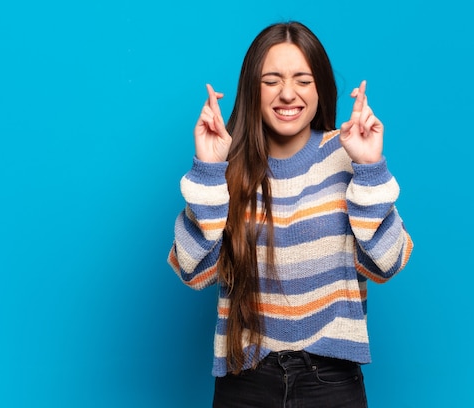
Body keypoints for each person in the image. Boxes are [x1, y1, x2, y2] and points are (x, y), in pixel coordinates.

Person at [167, 21, 413, 408]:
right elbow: (194, 272)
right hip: (244, 380)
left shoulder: (346, 156)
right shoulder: (227, 164)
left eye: (303, 79)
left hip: (331, 380)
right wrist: (208, 170)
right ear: (253, 88)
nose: (287, 94)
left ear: (321, 88)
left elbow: (387, 263)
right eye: (271, 80)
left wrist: (371, 167)